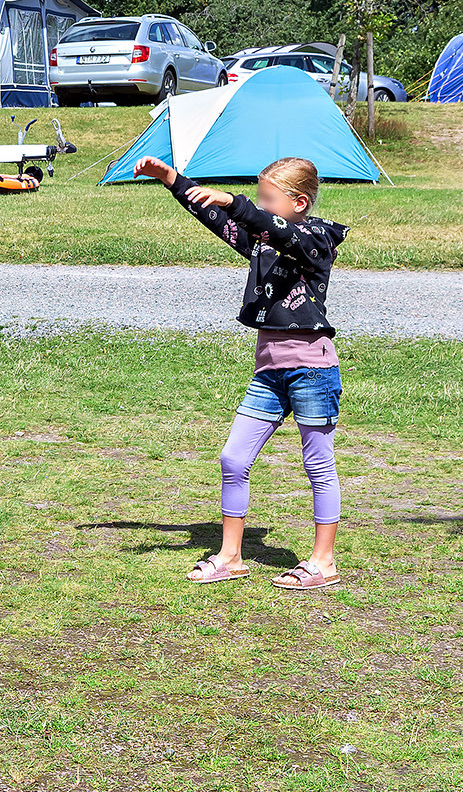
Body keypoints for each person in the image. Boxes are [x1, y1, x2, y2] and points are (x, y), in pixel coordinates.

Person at [134, 154, 348, 591]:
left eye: (270, 200)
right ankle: (230, 557)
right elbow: (221, 217)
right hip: (269, 371)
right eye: (261, 199)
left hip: (312, 370)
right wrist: (172, 179)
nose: (263, 208)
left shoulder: (315, 239)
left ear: (300, 203)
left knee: (317, 465)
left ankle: (323, 562)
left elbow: (277, 229)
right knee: (233, 458)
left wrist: (237, 201)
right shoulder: (266, 240)